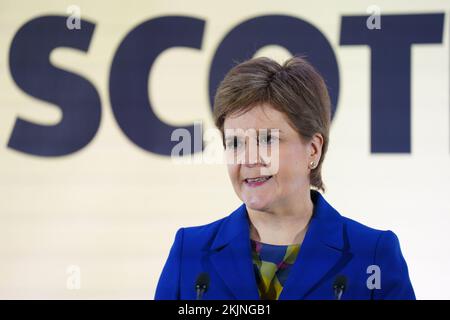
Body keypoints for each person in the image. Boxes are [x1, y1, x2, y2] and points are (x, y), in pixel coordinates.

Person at [154, 56, 415, 300]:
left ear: (313, 149)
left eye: (267, 140)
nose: (249, 158)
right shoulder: (189, 253)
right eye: (234, 143)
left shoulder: (373, 255)